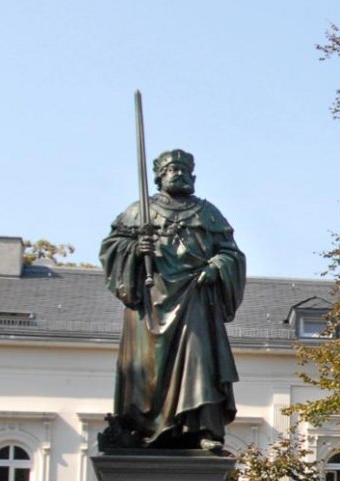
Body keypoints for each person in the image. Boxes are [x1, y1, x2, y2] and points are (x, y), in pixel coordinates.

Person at [100, 149, 246, 452]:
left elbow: (231, 253)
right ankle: (143, 428)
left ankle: (200, 429)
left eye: (183, 169)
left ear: (192, 176)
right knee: (147, 369)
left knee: (199, 360)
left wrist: (216, 267)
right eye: (170, 170)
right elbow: (112, 248)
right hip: (151, 301)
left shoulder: (208, 213)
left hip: (195, 297)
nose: (177, 173)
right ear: (158, 176)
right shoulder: (138, 211)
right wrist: (135, 249)